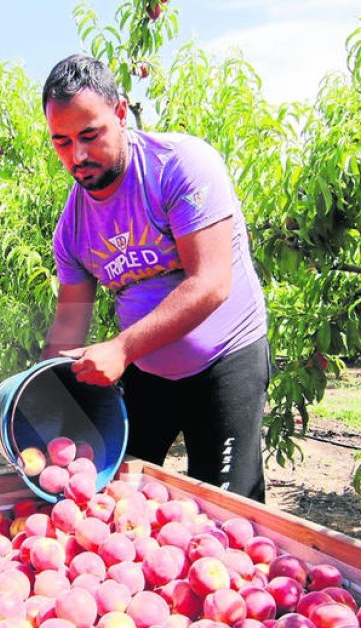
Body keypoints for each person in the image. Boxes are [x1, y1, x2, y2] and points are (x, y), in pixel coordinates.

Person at [40, 54, 270, 501]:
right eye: (62, 143)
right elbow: (70, 324)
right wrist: (45, 395)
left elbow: (210, 282)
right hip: (147, 369)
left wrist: (123, 347)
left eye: (90, 135)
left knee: (229, 509)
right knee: (114, 498)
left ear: (121, 112)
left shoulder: (180, 165)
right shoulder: (72, 227)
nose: (78, 156)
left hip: (226, 358)